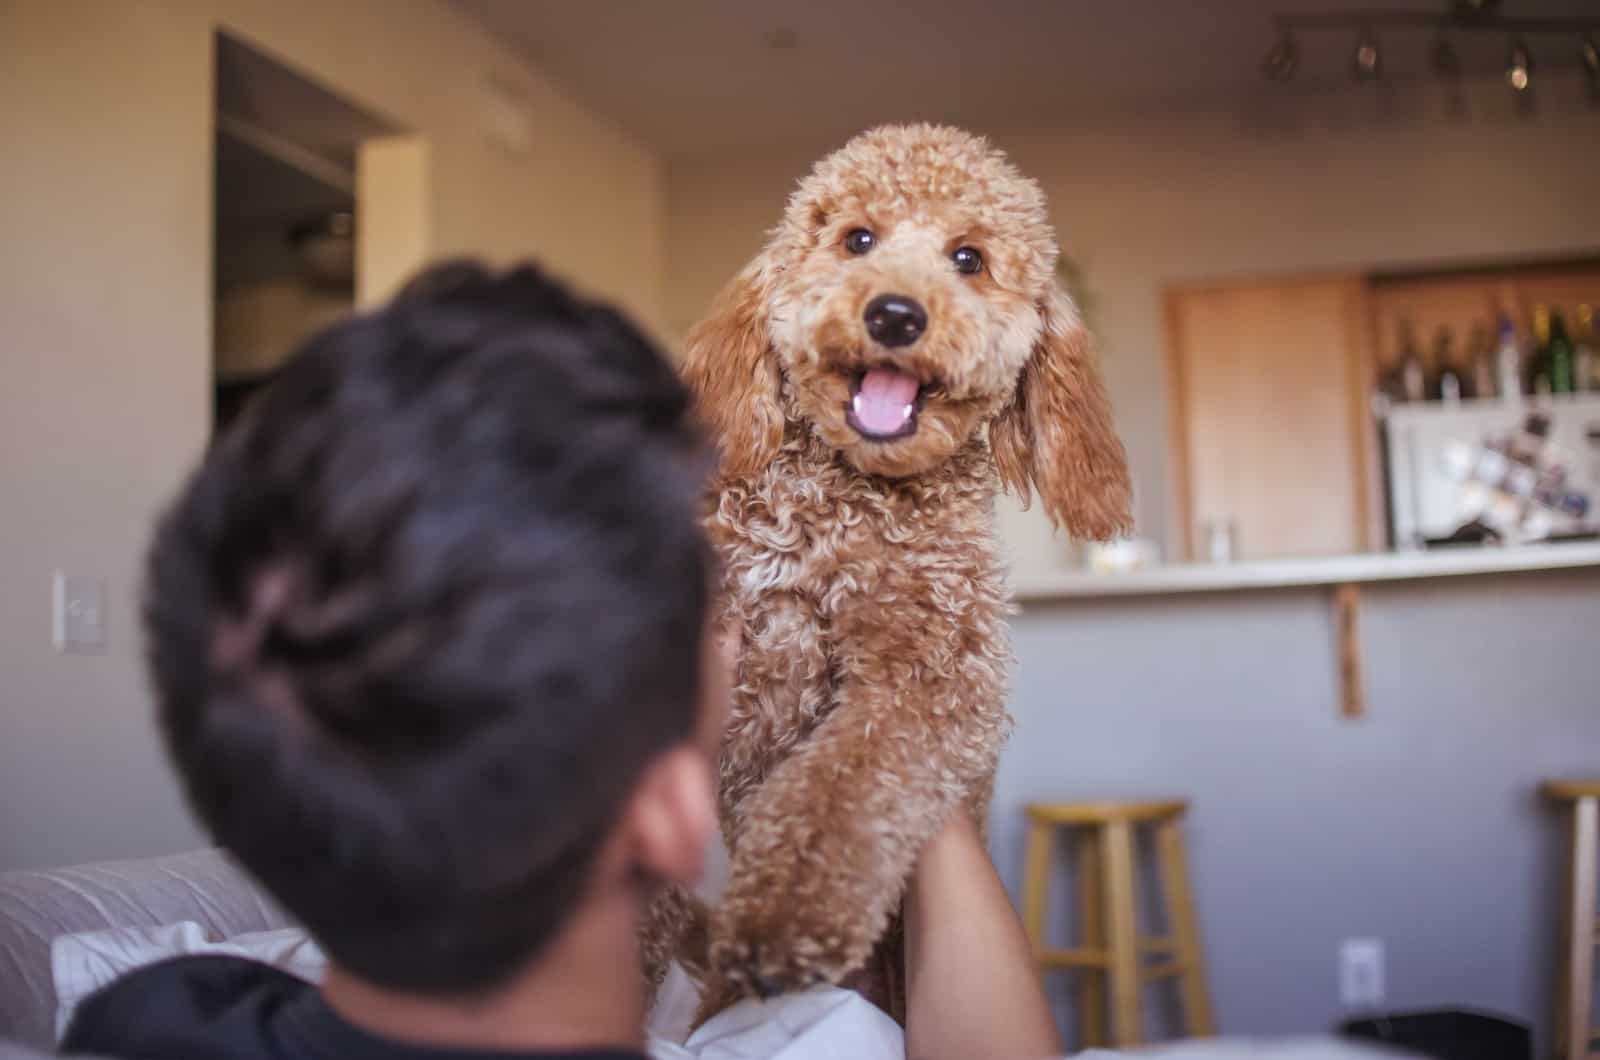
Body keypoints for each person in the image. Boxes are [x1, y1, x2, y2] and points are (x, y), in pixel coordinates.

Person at [59, 262, 1061, 1060]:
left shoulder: (151, 1013)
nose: (741, 628)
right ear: (669, 815)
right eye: (714, 609)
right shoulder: (822, 1044)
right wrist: (898, 745)